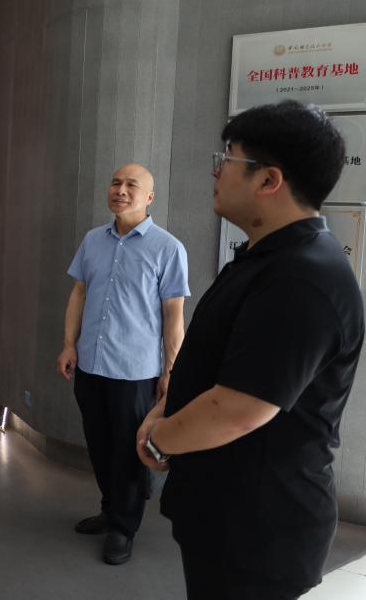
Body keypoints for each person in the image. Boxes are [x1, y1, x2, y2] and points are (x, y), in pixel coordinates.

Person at [137, 100, 364, 599]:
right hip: (230, 510)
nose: (216, 171)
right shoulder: (269, 258)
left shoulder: (303, 278)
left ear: (268, 180)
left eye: (228, 159)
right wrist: (165, 409)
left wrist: (159, 439)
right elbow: (215, 361)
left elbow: (240, 408)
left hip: (261, 527)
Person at [56, 163, 189, 564]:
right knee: (98, 444)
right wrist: (69, 345)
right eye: (116, 182)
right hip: (91, 365)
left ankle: (123, 527)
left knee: (128, 452)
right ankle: (110, 509)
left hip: (135, 371)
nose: (121, 190)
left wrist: (171, 371)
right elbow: (79, 293)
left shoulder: (168, 248)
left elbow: (173, 316)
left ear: (149, 197)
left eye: (132, 185)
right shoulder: (93, 240)